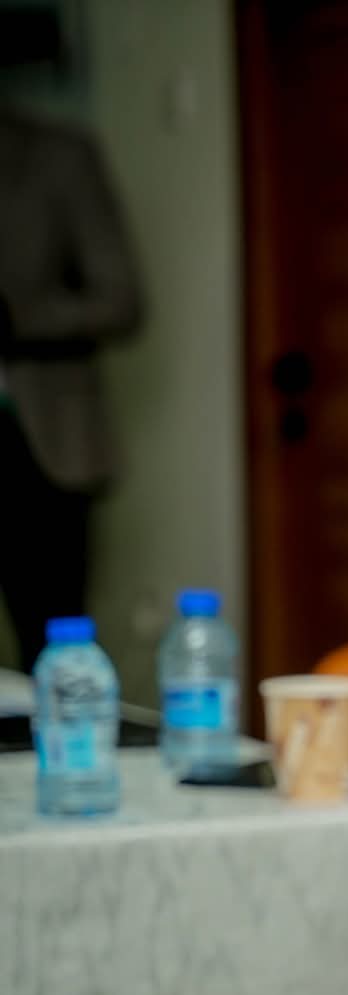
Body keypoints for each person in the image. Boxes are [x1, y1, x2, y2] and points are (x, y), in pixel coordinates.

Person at [0, 101, 144, 667]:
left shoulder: (58, 157)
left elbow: (122, 301)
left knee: (50, 638)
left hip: (40, 440)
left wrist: (16, 318)